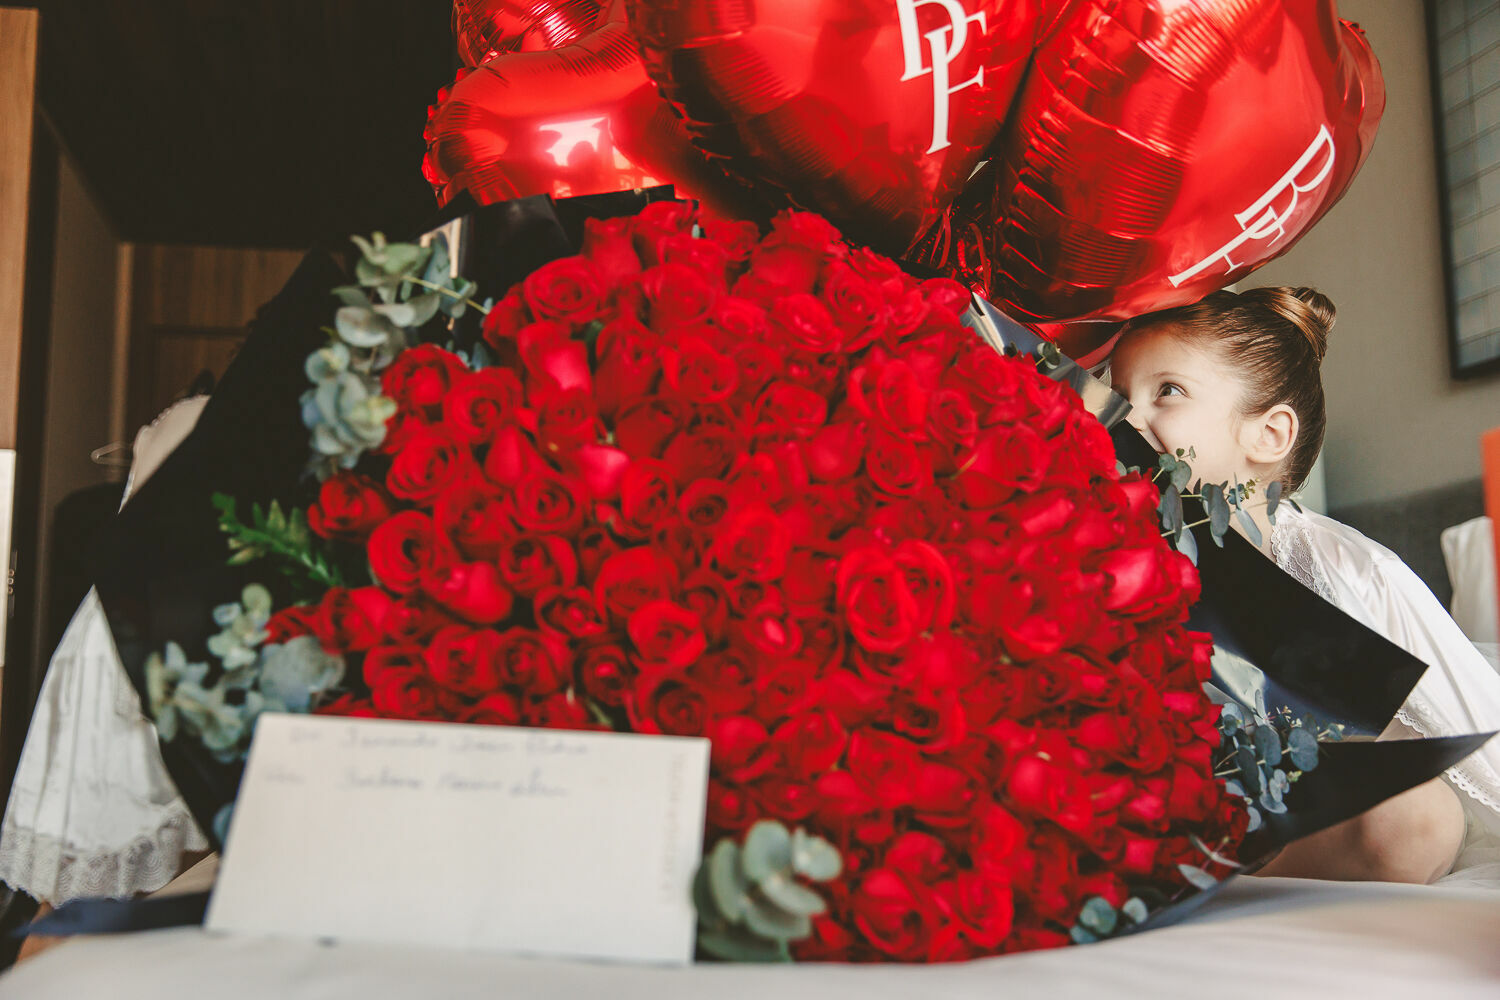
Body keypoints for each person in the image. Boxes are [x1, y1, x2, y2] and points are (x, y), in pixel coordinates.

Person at [1109, 286, 1500, 885]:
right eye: (1118, 397)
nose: (1129, 419)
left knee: (1417, 818)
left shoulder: (1346, 569)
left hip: (1308, 791)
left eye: (1168, 391)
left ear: (1268, 435)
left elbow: (1463, 719)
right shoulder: (1113, 548)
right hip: (1172, 778)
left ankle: (1200, 872)